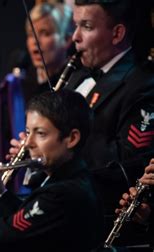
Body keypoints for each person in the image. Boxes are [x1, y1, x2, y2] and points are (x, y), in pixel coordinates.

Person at [0, 89, 103, 251]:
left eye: (40, 133)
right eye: (28, 132)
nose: (28, 143)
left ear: (72, 138)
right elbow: (24, 224)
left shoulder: (62, 194)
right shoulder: (65, 179)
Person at [64, 0, 154, 240]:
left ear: (117, 33)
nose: (75, 37)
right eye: (75, 25)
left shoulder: (142, 85)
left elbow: (130, 161)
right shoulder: (75, 77)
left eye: (87, 26)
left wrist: (60, 147)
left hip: (101, 218)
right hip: (62, 207)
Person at [0, 2, 75, 195]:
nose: (35, 43)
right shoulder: (18, 84)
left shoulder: (72, 86)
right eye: (31, 35)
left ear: (67, 39)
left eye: (45, 33)